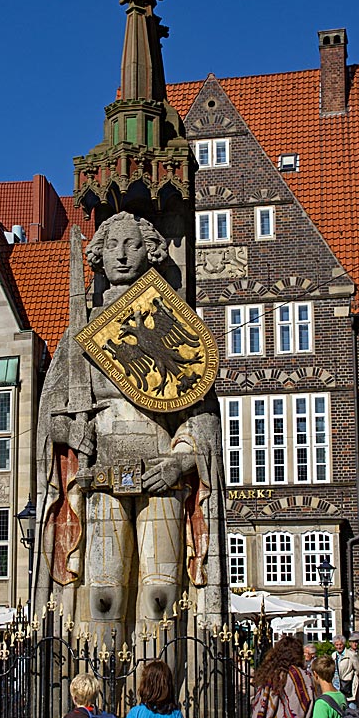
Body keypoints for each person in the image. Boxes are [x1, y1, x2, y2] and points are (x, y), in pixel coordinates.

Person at [36, 212, 225, 643]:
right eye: (114, 245)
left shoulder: (170, 321)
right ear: (99, 255)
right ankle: (97, 693)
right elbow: (50, 413)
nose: (122, 255)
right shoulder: (80, 333)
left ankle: (155, 694)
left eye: (133, 244)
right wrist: (66, 433)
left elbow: (201, 415)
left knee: (161, 593)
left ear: (151, 252)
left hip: (161, 474)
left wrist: (182, 461)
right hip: (100, 476)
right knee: (103, 596)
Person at [332, 635, 359, 700]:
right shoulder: (333, 655)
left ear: (344, 644)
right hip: (336, 684)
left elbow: (357, 669)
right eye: (337, 645)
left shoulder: (351, 654)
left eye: (340, 645)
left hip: (348, 685)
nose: (339, 647)